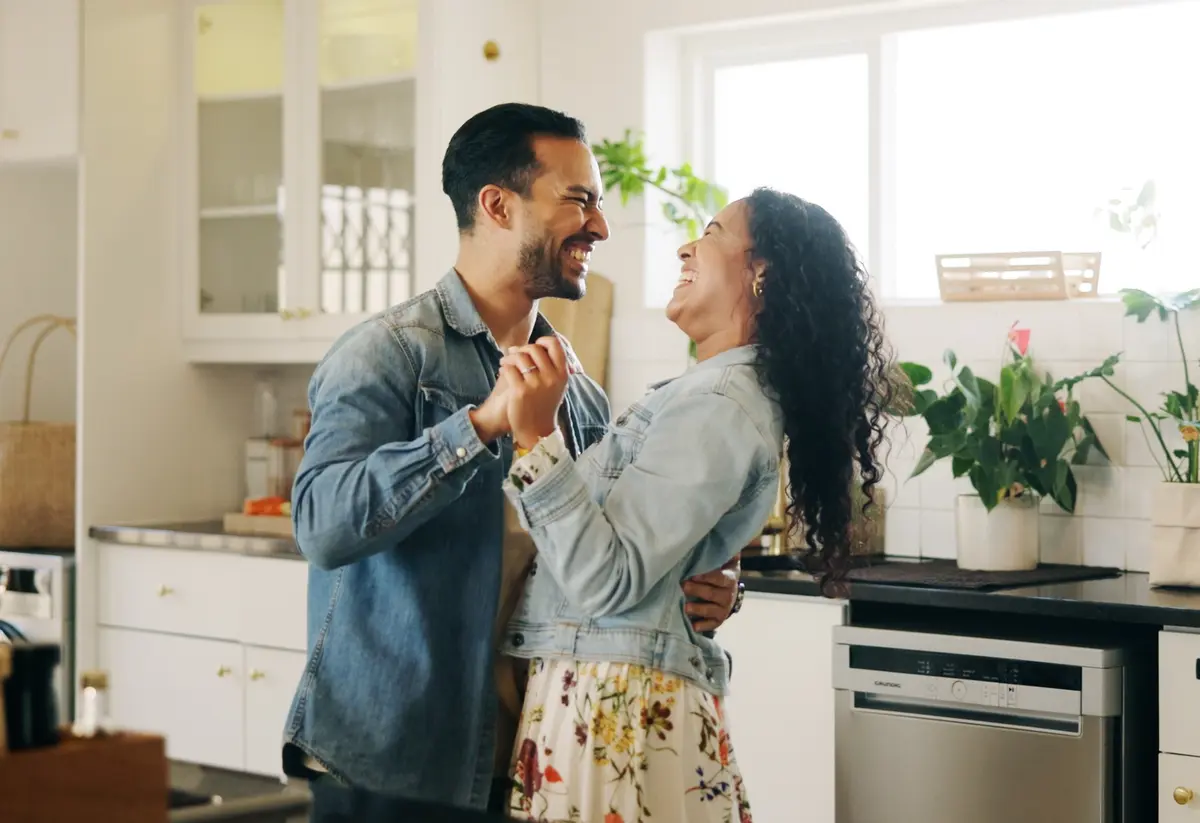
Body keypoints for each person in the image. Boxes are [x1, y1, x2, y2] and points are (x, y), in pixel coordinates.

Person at [281, 102, 741, 814]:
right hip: (391, 767)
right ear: (497, 205)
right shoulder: (389, 352)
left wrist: (704, 585)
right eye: (578, 200)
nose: (600, 225)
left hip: (533, 759)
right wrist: (480, 425)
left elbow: (599, 566)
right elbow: (322, 525)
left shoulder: (578, 393)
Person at [491, 188, 893, 822]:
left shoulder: (719, 403)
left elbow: (606, 576)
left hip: (611, 704)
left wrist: (537, 439)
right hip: (609, 694)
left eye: (710, 232)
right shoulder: (713, 394)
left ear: (762, 272)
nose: (685, 246)